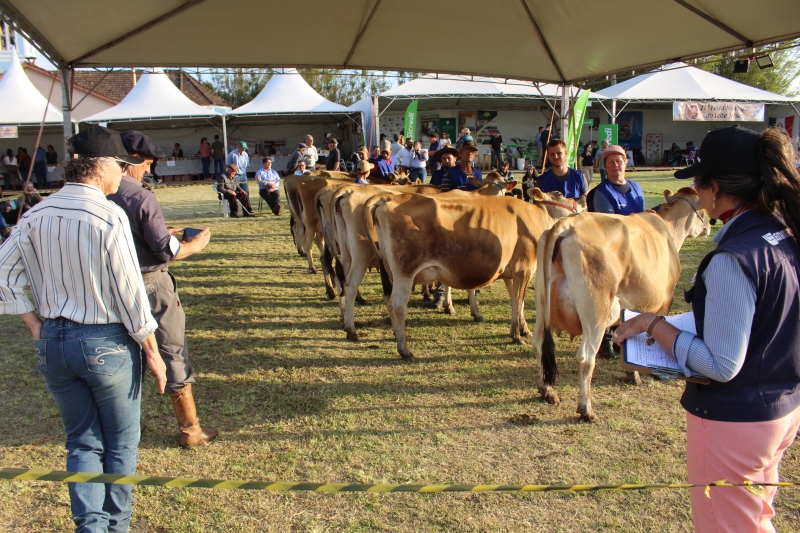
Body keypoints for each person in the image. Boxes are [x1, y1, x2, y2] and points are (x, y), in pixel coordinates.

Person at [614, 125, 800, 533]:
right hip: (779, 406)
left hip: (736, 421)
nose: (695, 193)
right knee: (754, 518)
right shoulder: (783, 232)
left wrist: (653, 324)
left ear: (715, 189)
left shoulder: (735, 258)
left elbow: (719, 364)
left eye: (697, 183)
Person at [0, 125, 167, 533]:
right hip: (106, 342)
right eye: (121, 167)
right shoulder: (109, 215)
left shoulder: (35, 214)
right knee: (121, 443)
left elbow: (3, 273)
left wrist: (36, 324)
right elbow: (130, 293)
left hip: (55, 343)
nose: (123, 175)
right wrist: (152, 351)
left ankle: (90, 527)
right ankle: (117, 526)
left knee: (81, 442)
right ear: (103, 165)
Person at [108, 130, 217, 449]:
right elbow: (165, 251)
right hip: (151, 285)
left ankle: (122, 428)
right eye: (147, 165)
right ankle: (190, 431)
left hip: (112, 286)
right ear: (134, 161)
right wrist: (194, 246)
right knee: (171, 349)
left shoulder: (99, 195)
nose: (148, 171)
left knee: (123, 356)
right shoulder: (140, 196)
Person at [589, 145, 644, 215]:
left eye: (618, 161)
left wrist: (658, 209)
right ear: (605, 166)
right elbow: (610, 223)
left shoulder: (636, 187)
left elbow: (642, 213)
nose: (615, 165)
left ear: (625, 162)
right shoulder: (602, 192)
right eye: (611, 162)